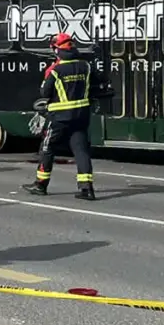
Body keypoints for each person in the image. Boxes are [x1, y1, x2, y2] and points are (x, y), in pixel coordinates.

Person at [22, 33, 103, 201]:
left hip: (59, 118)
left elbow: (45, 92)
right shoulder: (85, 66)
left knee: (47, 148)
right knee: (81, 150)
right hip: (81, 116)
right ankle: (86, 188)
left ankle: (40, 185)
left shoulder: (55, 70)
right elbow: (97, 83)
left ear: (57, 50)